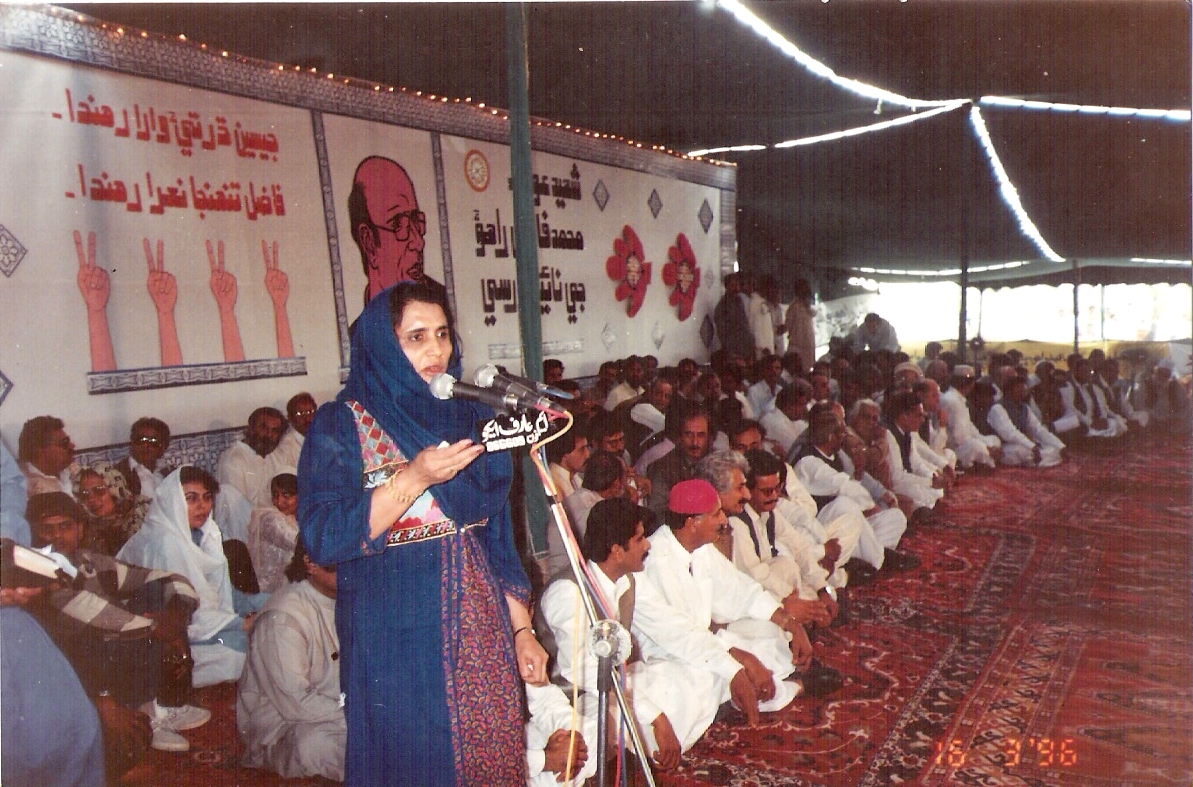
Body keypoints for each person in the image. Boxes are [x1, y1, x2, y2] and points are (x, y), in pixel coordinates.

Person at [298, 281, 547, 787]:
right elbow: (324, 536)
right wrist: (412, 478)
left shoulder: (472, 416)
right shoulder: (341, 423)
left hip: (480, 632)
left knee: (491, 757)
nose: (436, 350)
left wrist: (522, 630)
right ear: (383, 347)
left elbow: (497, 536)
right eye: (416, 338)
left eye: (442, 334)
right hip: (395, 641)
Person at [540, 498, 720, 772]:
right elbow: (582, 671)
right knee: (607, 731)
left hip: (612, 687)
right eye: (639, 539)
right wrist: (657, 717)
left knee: (688, 673)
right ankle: (635, 752)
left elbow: (668, 624)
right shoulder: (567, 593)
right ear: (617, 551)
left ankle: (648, 749)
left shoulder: (625, 580)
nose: (647, 545)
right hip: (574, 697)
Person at [25, 492, 209, 753]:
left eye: (65, 526)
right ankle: (147, 711)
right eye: (47, 529)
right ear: (32, 534)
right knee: (117, 631)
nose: (57, 536)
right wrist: (165, 630)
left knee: (156, 593)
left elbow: (169, 578)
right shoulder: (36, 574)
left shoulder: (91, 563)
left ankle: (165, 704)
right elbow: (91, 613)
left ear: (80, 529)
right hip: (73, 671)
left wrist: (177, 615)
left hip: (106, 652)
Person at [631, 480, 807, 727]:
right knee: (709, 676)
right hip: (672, 657)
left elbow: (741, 590)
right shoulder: (656, 560)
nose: (724, 520)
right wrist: (740, 659)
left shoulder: (699, 547)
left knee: (769, 629)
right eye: (716, 514)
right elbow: (682, 639)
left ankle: (748, 689)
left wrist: (790, 623)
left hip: (705, 645)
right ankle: (776, 689)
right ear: (692, 523)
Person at [118, 466, 266, 687]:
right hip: (169, 633)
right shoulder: (165, 542)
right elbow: (185, 610)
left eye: (207, 497)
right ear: (173, 501)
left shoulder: (204, 532)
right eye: (191, 498)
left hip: (204, 618)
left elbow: (218, 588)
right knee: (245, 650)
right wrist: (242, 623)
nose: (202, 506)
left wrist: (253, 607)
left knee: (275, 604)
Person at [238, 540, 346, 782]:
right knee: (317, 744)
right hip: (285, 725)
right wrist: (361, 719)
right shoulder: (282, 619)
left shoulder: (349, 599)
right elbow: (296, 702)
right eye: (343, 563)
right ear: (311, 563)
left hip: (338, 714)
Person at [348, 155, 436, 305]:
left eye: (417, 221)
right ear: (369, 243)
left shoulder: (444, 306)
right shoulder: (364, 320)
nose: (418, 242)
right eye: (399, 225)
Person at [217, 407, 289, 509]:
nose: (269, 435)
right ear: (250, 429)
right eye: (264, 428)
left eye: (275, 430)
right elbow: (235, 510)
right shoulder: (233, 460)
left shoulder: (277, 455)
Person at [73, 462, 151, 554]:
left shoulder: (145, 511)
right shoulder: (87, 529)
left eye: (99, 490)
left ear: (115, 487)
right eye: (85, 494)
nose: (91, 499)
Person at [246, 473, 301, 593]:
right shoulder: (270, 518)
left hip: (289, 589)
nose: (279, 502)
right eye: (275, 495)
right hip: (269, 593)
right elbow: (298, 543)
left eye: (286, 495)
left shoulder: (298, 519)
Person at [18, 415, 79, 498]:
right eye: (65, 443)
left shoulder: (71, 469)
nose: (72, 445)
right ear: (41, 451)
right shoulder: (26, 488)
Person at [116, 417, 172, 498]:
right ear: (132, 442)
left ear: (163, 447)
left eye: (153, 441)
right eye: (140, 440)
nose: (145, 445)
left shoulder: (171, 473)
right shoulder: (117, 474)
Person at [273, 393, 317, 471]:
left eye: (310, 412)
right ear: (290, 418)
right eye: (299, 414)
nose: (307, 418)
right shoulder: (286, 449)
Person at [784, 278, 817, 376]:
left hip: (808, 344)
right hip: (797, 345)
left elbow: (814, 313)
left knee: (808, 370)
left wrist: (807, 305)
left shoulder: (809, 306)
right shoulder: (793, 307)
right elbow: (788, 326)